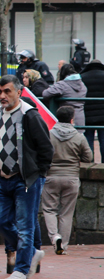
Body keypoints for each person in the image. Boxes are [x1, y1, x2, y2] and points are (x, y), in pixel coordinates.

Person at [0, 75, 54, 279]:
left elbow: (46, 148)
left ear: (19, 91)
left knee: (25, 226)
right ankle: (31, 252)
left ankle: (22, 270)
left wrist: (38, 174)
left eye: (7, 91)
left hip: (25, 179)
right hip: (2, 178)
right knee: (0, 221)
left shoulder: (29, 115)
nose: (2, 95)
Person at [41, 104, 91, 256]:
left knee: (49, 210)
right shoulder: (79, 137)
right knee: (66, 213)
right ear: (71, 119)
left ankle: (54, 236)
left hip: (51, 177)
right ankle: (63, 244)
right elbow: (88, 158)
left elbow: (43, 154)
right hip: (71, 178)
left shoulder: (48, 134)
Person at [80, 59, 104, 161]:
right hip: (103, 114)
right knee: (103, 140)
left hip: (87, 115)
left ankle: (88, 161)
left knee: (88, 139)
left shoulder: (82, 77)